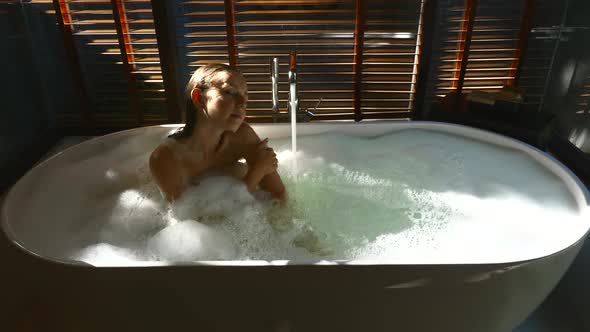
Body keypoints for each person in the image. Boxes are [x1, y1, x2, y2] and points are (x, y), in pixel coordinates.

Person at [149, 63, 286, 203]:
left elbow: (278, 195)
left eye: (245, 95)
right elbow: (193, 220)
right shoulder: (166, 159)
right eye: (230, 92)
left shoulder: (241, 136)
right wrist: (256, 172)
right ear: (199, 98)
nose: (242, 102)